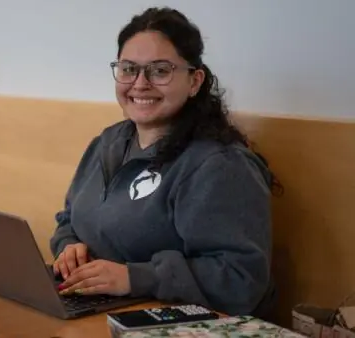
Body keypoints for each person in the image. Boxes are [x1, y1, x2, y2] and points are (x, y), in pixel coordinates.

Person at [49, 6, 280, 317]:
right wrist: (68, 247)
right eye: (129, 69)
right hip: (96, 310)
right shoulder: (107, 142)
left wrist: (135, 278)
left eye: (160, 71)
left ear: (195, 81)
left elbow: (241, 278)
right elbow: (68, 219)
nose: (140, 83)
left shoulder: (219, 165)